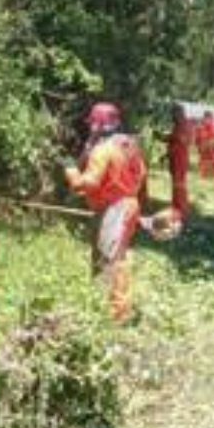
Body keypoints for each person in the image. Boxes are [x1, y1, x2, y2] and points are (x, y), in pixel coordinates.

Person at [64, 101, 149, 323]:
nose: (90, 128)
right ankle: (103, 305)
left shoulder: (103, 150)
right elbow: (142, 174)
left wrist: (72, 174)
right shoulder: (130, 145)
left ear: (98, 125)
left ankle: (116, 314)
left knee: (112, 260)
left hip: (114, 210)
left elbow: (89, 183)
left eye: (92, 124)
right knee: (107, 256)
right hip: (128, 204)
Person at [165, 103, 195, 230]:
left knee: (179, 185)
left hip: (180, 159)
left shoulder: (184, 125)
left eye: (174, 114)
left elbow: (182, 140)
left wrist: (170, 138)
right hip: (175, 158)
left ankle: (182, 211)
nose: (172, 117)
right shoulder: (178, 125)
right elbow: (174, 139)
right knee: (176, 185)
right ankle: (176, 209)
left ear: (179, 113)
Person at [195, 109, 214, 179]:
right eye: (211, 117)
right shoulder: (213, 123)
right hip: (209, 143)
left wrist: (197, 145)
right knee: (212, 160)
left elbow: (197, 136)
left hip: (207, 143)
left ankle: (206, 175)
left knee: (205, 160)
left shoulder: (201, 124)